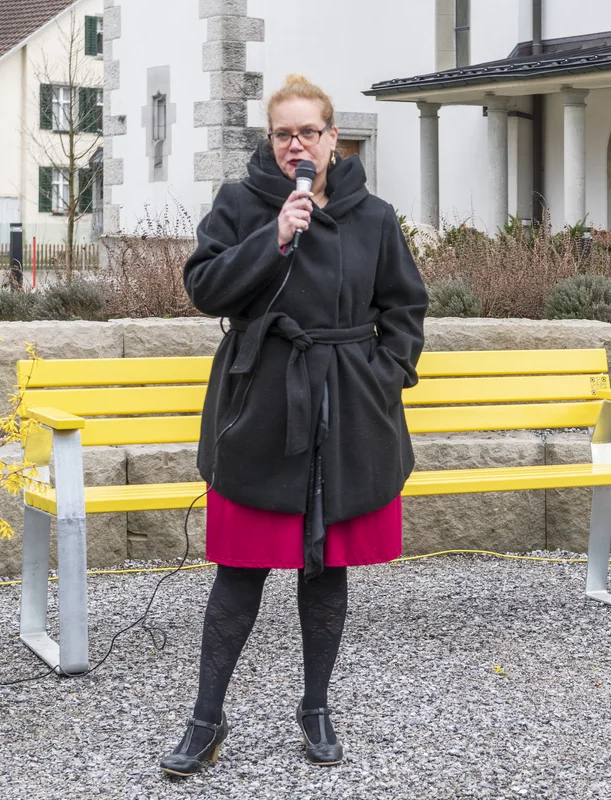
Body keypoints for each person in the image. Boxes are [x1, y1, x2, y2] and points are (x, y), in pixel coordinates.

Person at [160, 74, 428, 777]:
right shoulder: (240, 204)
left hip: (347, 404)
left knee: (327, 569)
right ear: (270, 140)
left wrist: (385, 374)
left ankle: (315, 706)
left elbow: (405, 306)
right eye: (284, 133)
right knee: (239, 571)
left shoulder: (374, 216)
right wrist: (274, 236)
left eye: (309, 132)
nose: (297, 145)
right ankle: (206, 718)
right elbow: (204, 288)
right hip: (262, 405)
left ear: (333, 138)